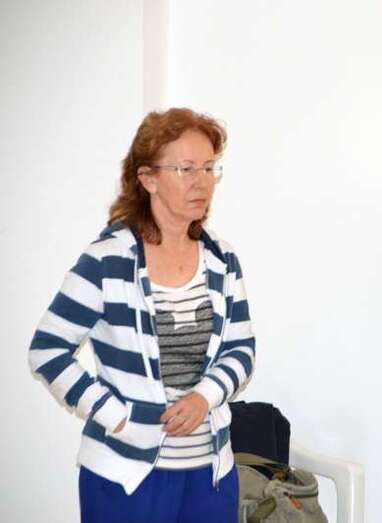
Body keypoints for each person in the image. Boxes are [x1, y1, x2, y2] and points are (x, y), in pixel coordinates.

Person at [28, 108, 255, 523]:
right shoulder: (107, 260)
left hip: (210, 477)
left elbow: (241, 349)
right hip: (126, 477)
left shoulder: (222, 259)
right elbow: (47, 350)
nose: (202, 181)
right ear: (148, 178)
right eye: (186, 169)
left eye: (209, 168)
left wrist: (205, 396)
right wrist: (116, 418)